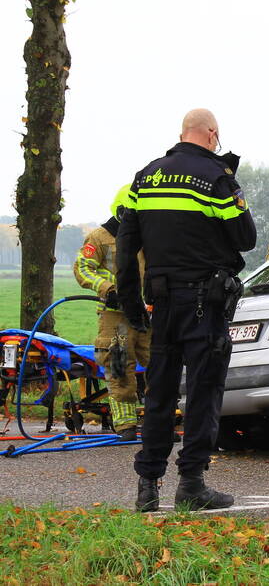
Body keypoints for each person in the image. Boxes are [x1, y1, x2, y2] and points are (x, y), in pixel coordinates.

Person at [116, 108, 256, 512]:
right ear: (212, 134)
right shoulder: (216, 179)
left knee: (159, 392)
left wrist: (130, 304)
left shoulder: (145, 177)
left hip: (161, 304)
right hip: (205, 303)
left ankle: (147, 488)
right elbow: (245, 237)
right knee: (202, 392)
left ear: (183, 133)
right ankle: (191, 485)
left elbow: (126, 248)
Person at [73, 184, 150, 441]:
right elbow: (83, 270)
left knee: (161, 365)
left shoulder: (147, 234)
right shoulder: (100, 238)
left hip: (148, 312)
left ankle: (158, 423)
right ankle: (126, 426)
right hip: (114, 315)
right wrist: (108, 289)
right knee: (119, 367)